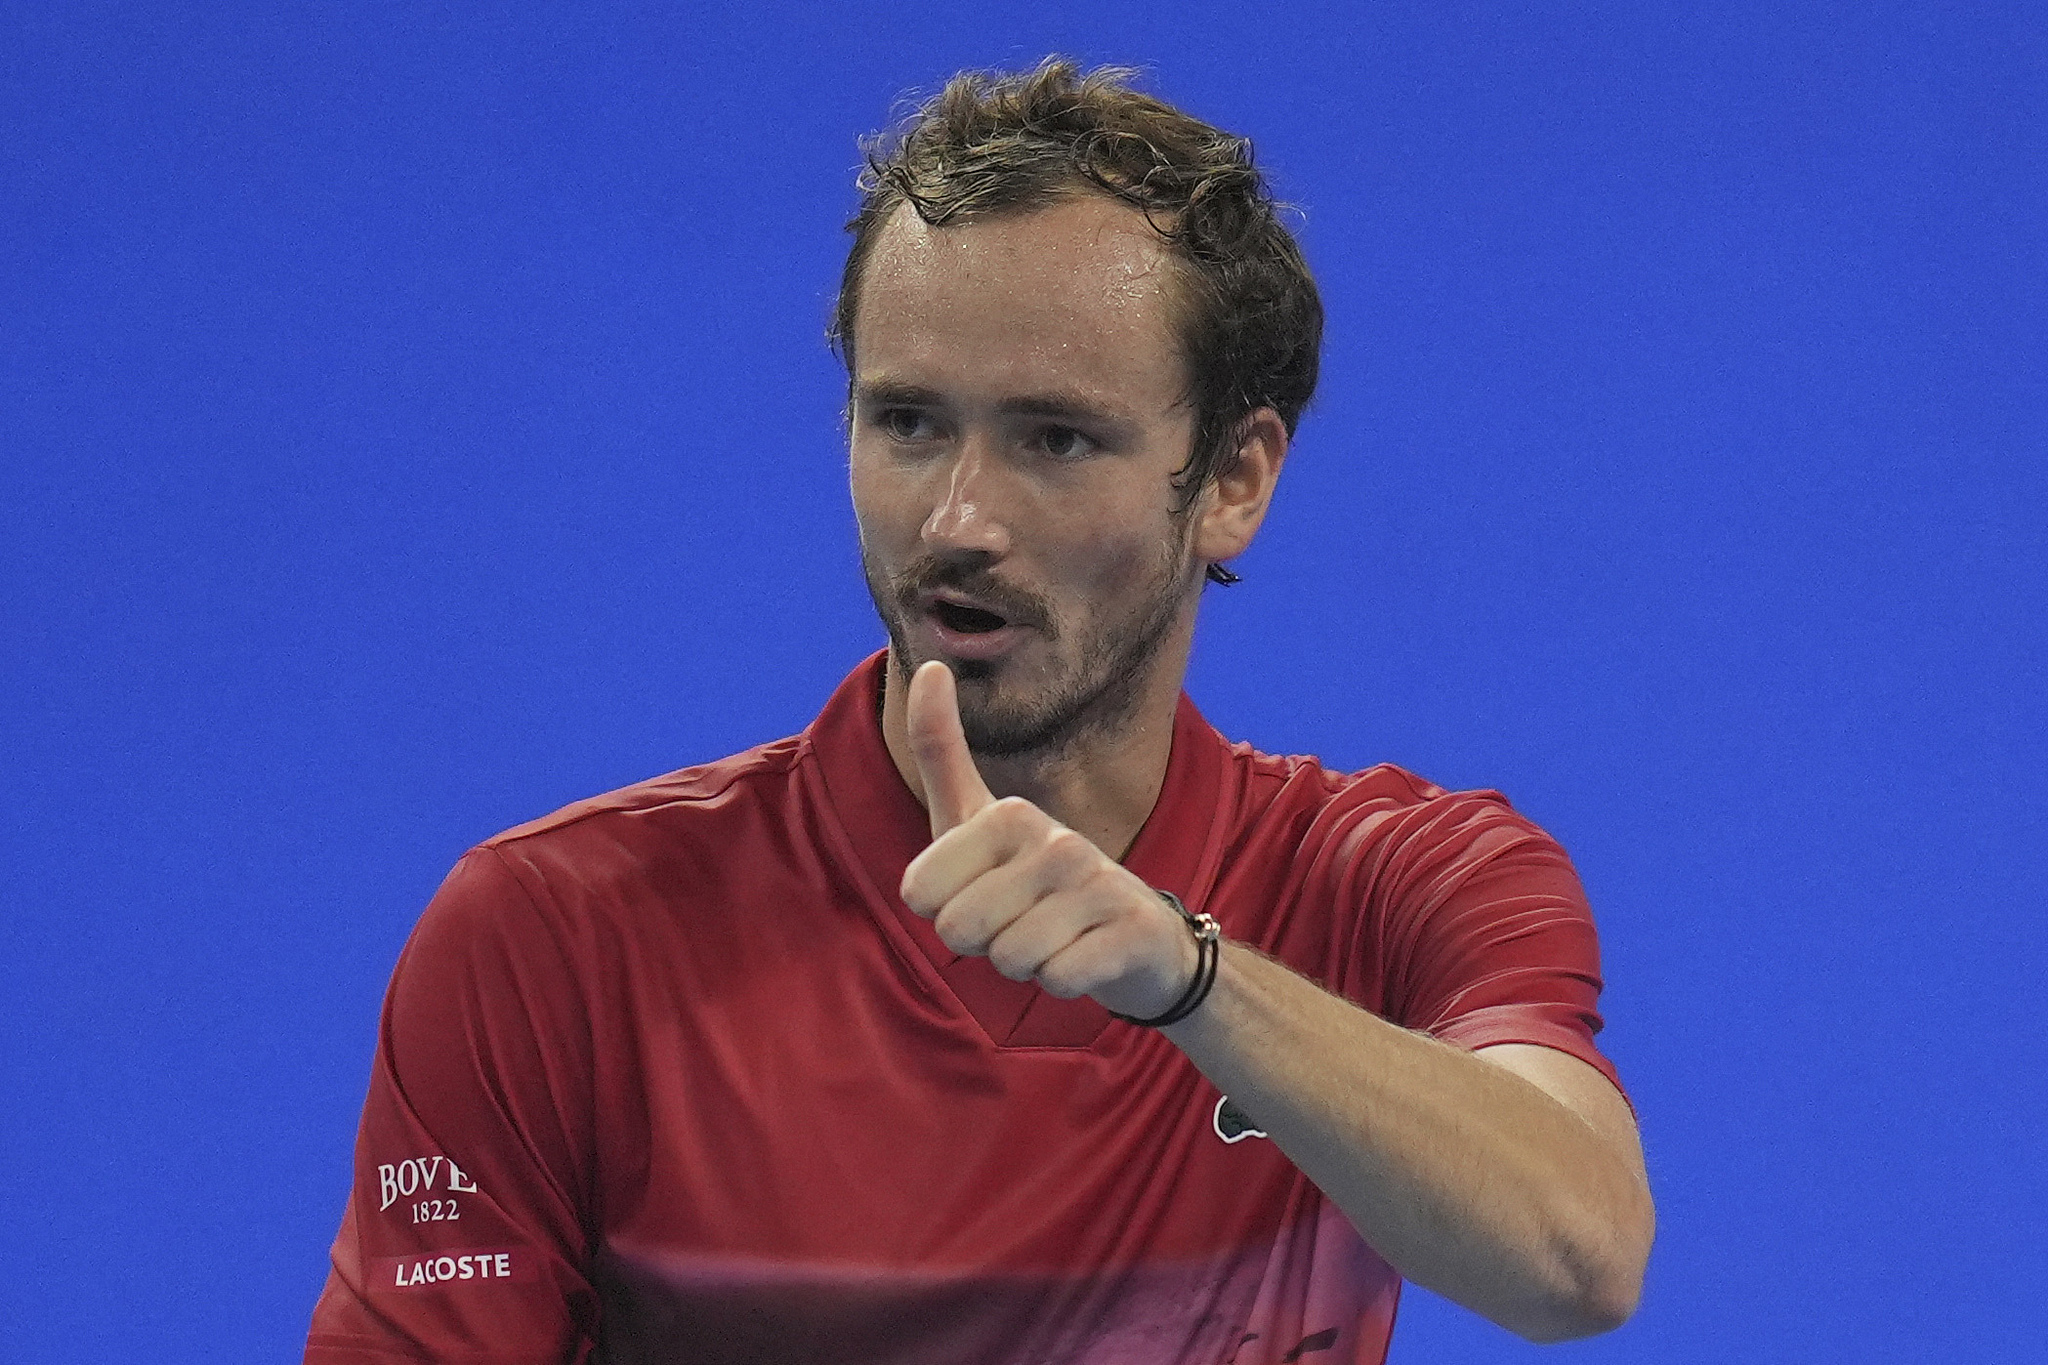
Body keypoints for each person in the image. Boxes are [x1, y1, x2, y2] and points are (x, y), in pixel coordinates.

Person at [304, 58, 1654, 1365]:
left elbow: (1578, 1258)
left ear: (1234, 478)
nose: (957, 522)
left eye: (1055, 438)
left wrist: (1187, 981)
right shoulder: (552, 936)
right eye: (906, 422)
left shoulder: (1406, 882)